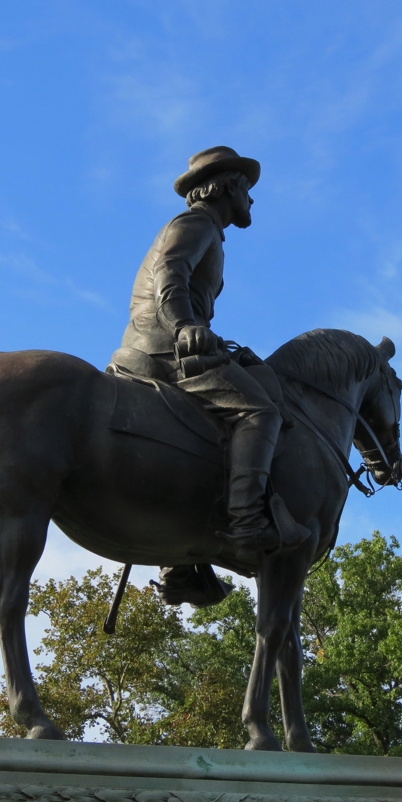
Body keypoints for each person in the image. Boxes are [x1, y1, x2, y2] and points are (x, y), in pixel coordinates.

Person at [112, 147, 307, 577]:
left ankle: (186, 561)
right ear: (229, 186)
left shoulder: (207, 229)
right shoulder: (197, 222)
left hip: (168, 341)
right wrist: (184, 326)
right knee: (258, 412)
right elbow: (170, 273)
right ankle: (247, 526)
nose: (252, 199)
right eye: (247, 189)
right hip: (167, 347)